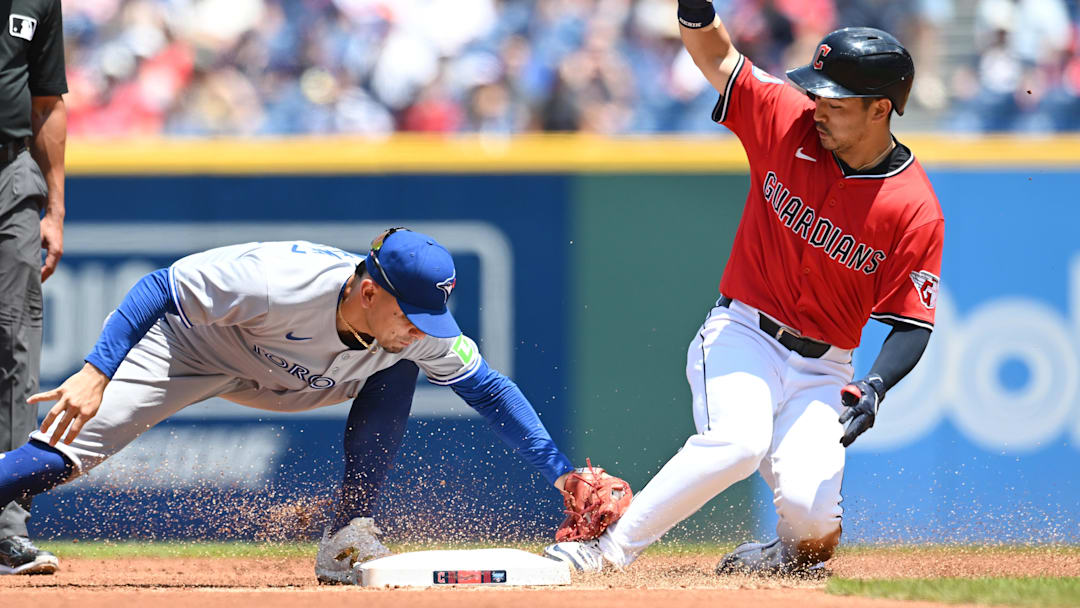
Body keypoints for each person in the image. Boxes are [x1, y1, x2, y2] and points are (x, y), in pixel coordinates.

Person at [544, 6, 944, 577]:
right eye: (819, 95)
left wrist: (876, 384)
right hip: (743, 334)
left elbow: (912, 322)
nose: (819, 108)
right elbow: (718, 55)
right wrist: (696, 10)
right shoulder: (788, 116)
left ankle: (781, 557)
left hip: (825, 368)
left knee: (811, 527)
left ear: (880, 109)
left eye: (836, 101)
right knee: (737, 442)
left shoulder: (914, 208)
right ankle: (603, 551)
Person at [0, 229, 581, 585]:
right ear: (370, 290)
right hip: (188, 346)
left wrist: (563, 474)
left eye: (431, 317)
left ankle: (347, 533)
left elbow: (491, 389)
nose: (420, 328)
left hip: (294, 378)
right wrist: (97, 372)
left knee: (398, 364)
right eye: (411, 314)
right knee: (53, 463)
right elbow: (158, 287)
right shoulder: (278, 279)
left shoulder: (412, 329)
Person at [0, 0, 67, 576]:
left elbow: (47, 101)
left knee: (16, 349)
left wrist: (56, 207)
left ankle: (6, 527)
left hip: (10, 172)